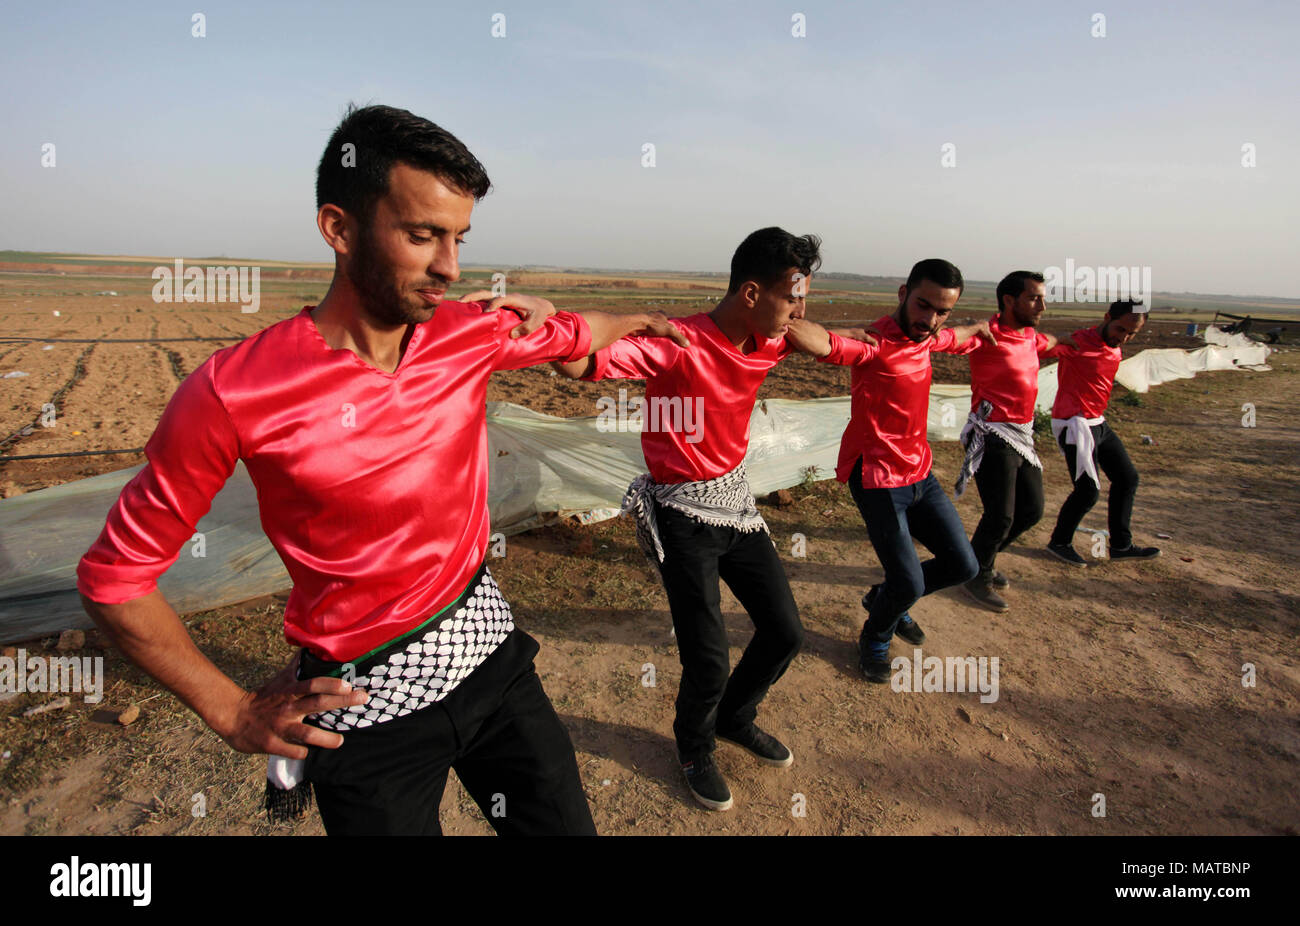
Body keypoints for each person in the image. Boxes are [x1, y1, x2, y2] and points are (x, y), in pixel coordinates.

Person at [75, 103, 686, 836]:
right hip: (367, 718)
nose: (450, 268)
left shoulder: (467, 331)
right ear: (339, 228)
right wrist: (230, 708)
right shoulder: (233, 391)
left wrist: (641, 325)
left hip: (494, 667)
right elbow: (115, 579)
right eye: (423, 235)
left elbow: (574, 335)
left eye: (459, 238)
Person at [555, 227, 835, 812]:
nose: (799, 311)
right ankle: (693, 747)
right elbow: (582, 365)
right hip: (681, 514)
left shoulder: (770, 338)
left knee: (785, 631)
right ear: (752, 293)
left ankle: (736, 717)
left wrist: (813, 332)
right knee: (707, 655)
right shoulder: (678, 343)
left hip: (735, 502)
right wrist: (611, 325)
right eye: (793, 297)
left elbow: (835, 339)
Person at [785, 259, 993, 683]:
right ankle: (875, 636)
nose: (931, 319)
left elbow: (955, 337)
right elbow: (813, 340)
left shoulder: (928, 337)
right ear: (902, 294)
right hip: (877, 478)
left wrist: (979, 328)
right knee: (910, 580)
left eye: (942, 311)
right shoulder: (874, 344)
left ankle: (885, 598)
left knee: (963, 566)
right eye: (923, 305)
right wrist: (833, 330)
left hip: (921, 474)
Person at [952, 271, 1060, 612]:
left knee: (1032, 510)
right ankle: (976, 575)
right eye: (1034, 298)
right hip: (990, 433)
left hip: (1022, 434)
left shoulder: (1030, 336)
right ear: (1009, 300)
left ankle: (979, 560)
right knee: (1000, 516)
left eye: (1042, 298)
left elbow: (1051, 343)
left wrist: (1083, 342)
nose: (1042, 305)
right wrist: (966, 327)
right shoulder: (987, 335)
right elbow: (948, 341)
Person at [1045, 299, 1160, 565]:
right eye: (1120, 329)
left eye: (1132, 333)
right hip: (1074, 425)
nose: (1124, 337)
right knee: (1087, 492)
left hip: (1098, 422)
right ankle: (1059, 542)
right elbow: (1036, 351)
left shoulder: (1114, 347)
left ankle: (1121, 545)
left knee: (1127, 478)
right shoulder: (1077, 342)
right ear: (1107, 316)